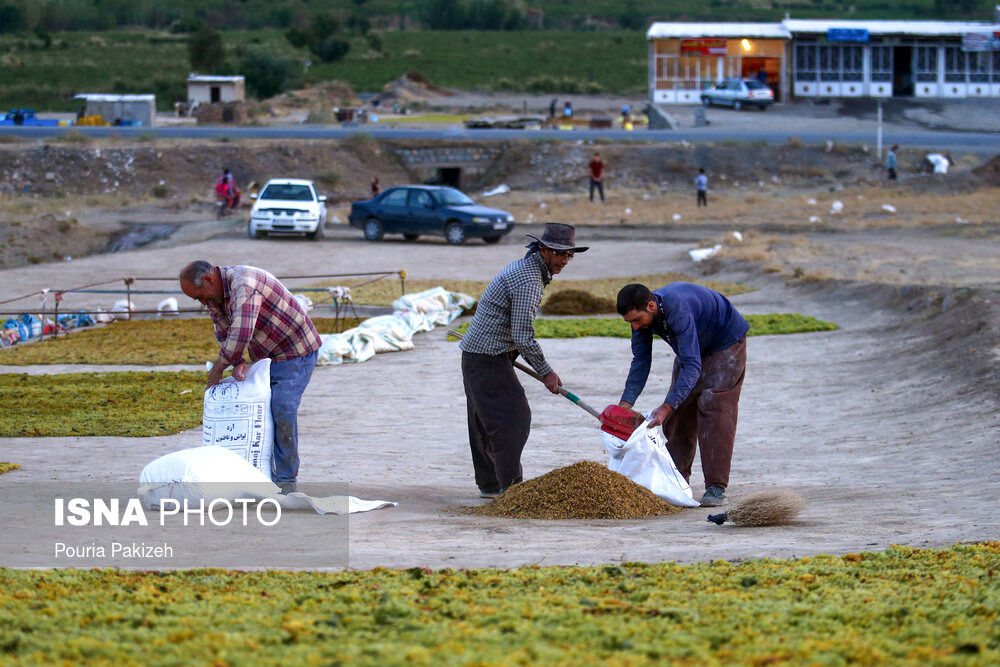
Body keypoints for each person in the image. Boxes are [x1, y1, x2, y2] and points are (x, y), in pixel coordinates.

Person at [459, 223, 589, 498]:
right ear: (543, 250)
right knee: (513, 418)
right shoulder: (529, 280)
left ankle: (491, 484)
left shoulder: (526, 269)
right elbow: (523, 335)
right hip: (487, 358)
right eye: (560, 254)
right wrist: (546, 372)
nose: (565, 261)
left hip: (481, 355)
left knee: (485, 420)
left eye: (569, 255)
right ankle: (511, 488)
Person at [179, 261, 321, 495]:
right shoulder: (214, 296)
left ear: (208, 280)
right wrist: (237, 362)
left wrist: (218, 368)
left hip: (296, 349)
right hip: (265, 354)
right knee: (262, 411)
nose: (203, 302)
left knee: (281, 407)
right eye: (198, 300)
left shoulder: (244, 282)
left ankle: (286, 482)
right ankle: (261, 478)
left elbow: (242, 330)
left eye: (200, 296)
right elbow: (223, 331)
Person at [616, 282, 749, 507]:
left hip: (724, 343)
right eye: (630, 323)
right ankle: (677, 482)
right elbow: (640, 361)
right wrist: (625, 404)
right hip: (692, 349)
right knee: (677, 413)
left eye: (637, 320)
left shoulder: (677, 308)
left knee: (713, 405)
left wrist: (666, 406)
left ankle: (715, 488)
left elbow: (692, 364)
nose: (635, 327)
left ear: (651, 306)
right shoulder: (640, 316)